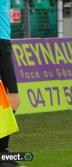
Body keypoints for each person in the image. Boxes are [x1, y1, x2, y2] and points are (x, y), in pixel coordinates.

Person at [0, 0, 20, 166]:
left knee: (10, 101)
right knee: (12, 100)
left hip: (4, 43)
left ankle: (3, 152)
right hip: (1, 43)